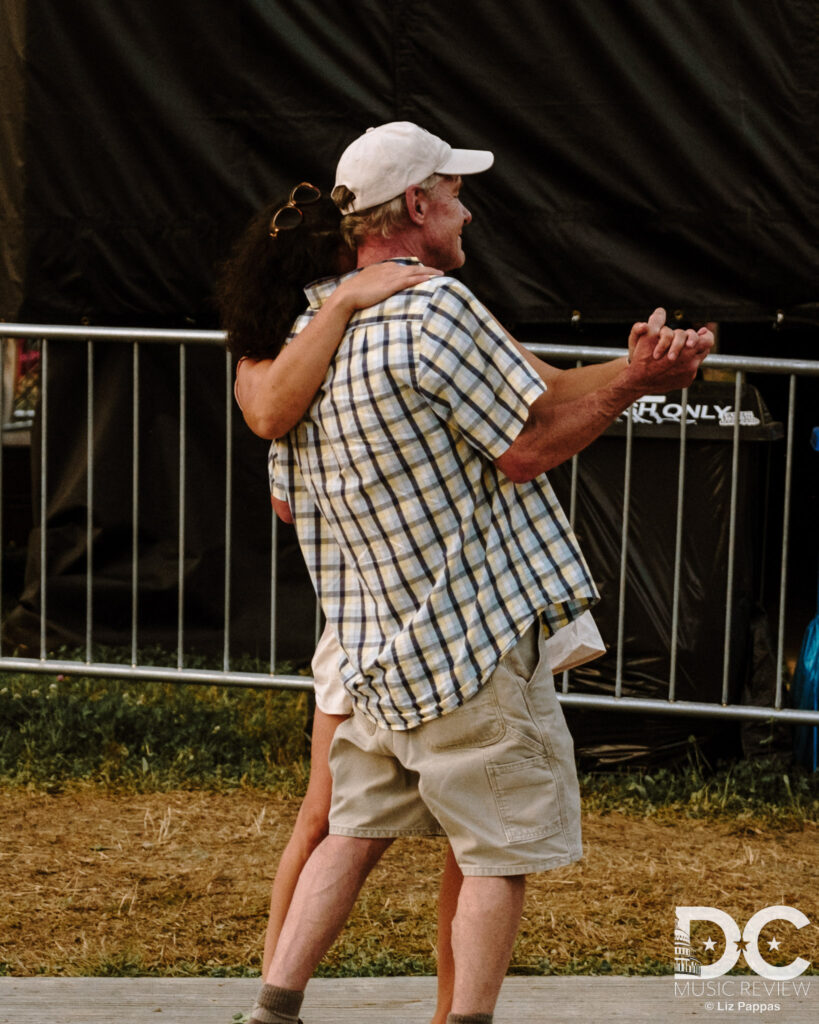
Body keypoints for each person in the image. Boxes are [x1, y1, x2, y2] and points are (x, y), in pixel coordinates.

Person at [249, 122, 714, 1024]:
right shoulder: (437, 309)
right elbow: (528, 445)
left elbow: (287, 496)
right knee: (499, 852)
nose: (469, 211)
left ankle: (273, 1009)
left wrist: (641, 367)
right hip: (470, 641)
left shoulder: (308, 327)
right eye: (456, 195)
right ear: (416, 206)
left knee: (350, 831)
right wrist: (627, 389)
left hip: (375, 648)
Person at [216, 186, 461, 1024]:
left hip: (376, 616)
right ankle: (287, 997)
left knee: (344, 822)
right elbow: (266, 409)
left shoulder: (328, 335)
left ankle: (290, 1000)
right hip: (375, 617)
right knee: (344, 822)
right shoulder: (295, 344)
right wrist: (354, 301)